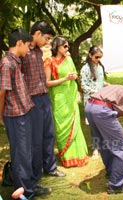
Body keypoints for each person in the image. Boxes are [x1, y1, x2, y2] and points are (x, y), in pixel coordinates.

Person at [0, 28, 50, 199]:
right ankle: (25, 192)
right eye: (28, 46)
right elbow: (2, 92)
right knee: (21, 154)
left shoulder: (16, 61)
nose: (29, 50)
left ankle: (30, 186)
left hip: (24, 111)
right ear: (19, 43)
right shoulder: (7, 63)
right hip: (15, 115)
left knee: (27, 151)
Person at [21, 21, 66, 179]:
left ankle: (50, 167)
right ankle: (36, 171)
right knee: (36, 138)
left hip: (44, 97)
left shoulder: (39, 52)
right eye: (46, 38)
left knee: (49, 134)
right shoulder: (24, 50)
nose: (47, 43)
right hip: (32, 100)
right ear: (37, 33)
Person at [85, 84, 123, 194]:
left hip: (90, 106)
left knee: (104, 143)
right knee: (121, 146)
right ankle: (117, 185)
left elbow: (114, 113)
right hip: (102, 110)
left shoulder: (121, 90)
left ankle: (112, 172)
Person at [44, 35, 89, 168]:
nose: (67, 48)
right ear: (57, 47)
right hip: (58, 99)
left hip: (70, 97)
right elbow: (47, 83)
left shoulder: (68, 59)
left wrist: (74, 77)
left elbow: (74, 75)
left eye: (68, 46)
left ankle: (78, 155)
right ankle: (66, 156)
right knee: (61, 127)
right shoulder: (49, 61)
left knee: (74, 126)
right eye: (64, 46)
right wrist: (64, 79)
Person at [80, 45, 109, 158]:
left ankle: (103, 146)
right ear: (90, 55)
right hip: (91, 101)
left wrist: (106, 85)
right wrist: (95, 92)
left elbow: (100, 82)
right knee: (93, 126)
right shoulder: (85, 69)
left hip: (102, 99)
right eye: (96, 57)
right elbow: (84, 86)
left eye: (100, 57)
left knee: (102, 123)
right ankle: (96, 148)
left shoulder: (100, 67)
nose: (98, 59)